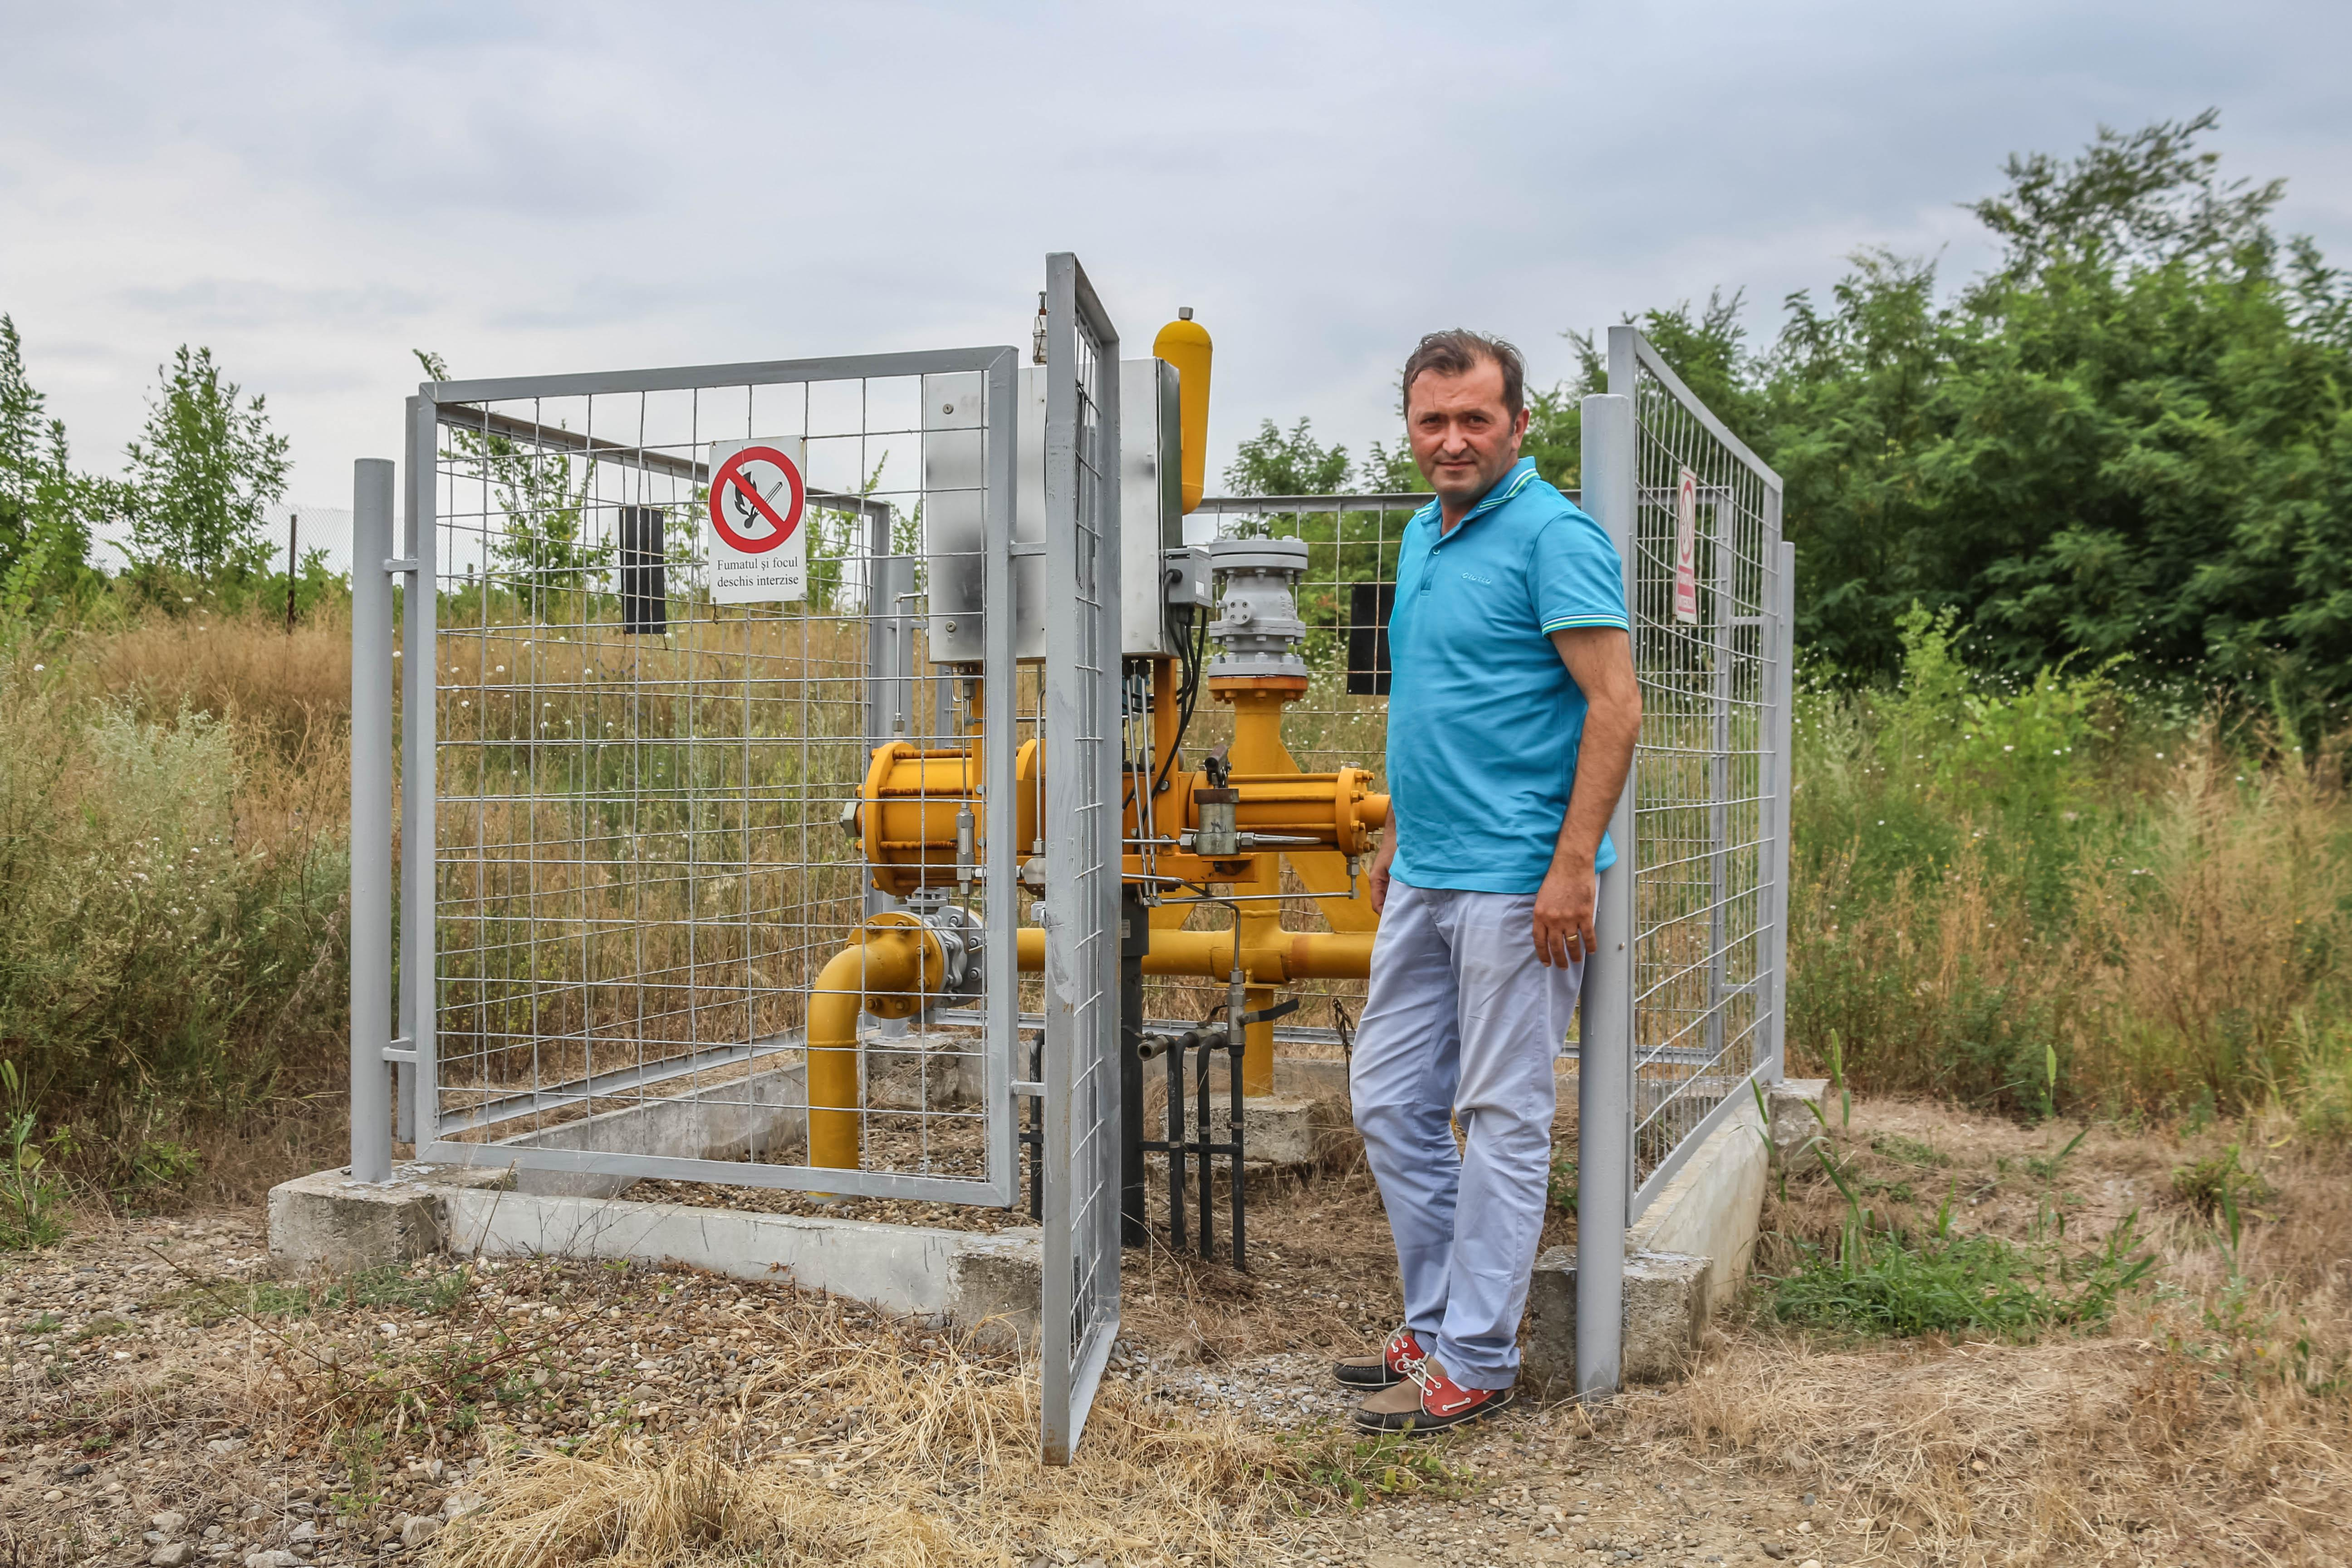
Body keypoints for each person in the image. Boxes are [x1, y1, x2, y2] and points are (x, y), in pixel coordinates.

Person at [1339, 330, 1640, 1432]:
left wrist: (1571, 868)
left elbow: (1616, 705)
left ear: (1519, 424)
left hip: (1522, 884)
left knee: (1503, 1116)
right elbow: (1440, 702)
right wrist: (1396, 837)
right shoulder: (1425, 531)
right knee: (1386, 1099)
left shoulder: (1555, 536)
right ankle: (1434, 1328)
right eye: (1434, 420)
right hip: (1425, 871)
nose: (1453, 439)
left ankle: (1478, 1357)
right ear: (1410, 428)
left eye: (1475, 419)